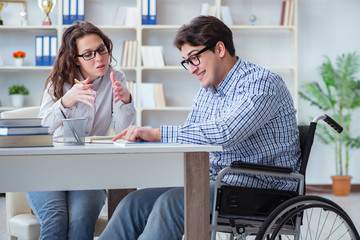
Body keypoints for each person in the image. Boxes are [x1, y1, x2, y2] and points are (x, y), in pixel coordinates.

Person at [99, 15, 301, 240]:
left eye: (194, 58)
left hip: (263, 190)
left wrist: (157, 133)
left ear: (220, 49)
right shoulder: (207, 92)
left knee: (172, 203)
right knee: (133, 203)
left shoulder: (262, 83)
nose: (192, 69)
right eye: (187, 62)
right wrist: (146, 141)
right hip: (219, 182)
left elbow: (225, 133)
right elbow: (190, 138)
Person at [26, 21, 136, 240]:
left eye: (101, 49)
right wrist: (65, 102)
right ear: (75, 58)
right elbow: (42, 128)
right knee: (56, 221)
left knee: (80, 223)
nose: (99, 58)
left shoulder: (117, 78)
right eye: (88, 54)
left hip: (89, 170)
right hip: (48, 168)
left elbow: (124, 132)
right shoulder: (59, 81)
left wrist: (125, 100)